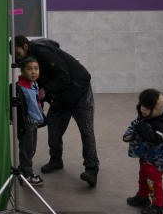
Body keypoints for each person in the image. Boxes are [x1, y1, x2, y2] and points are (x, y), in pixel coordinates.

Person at [13, 35, 99, 186]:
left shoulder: (43, 52)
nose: (17, 59)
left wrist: (46, 91)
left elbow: (63, 76)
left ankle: (91, 170)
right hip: (60, 96)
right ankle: (56, 160)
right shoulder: (30, 60)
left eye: (18, 54)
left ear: (25, 46)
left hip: (80, 92)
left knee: (86, 131)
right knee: (53, 127)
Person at [123, 89, 163, 214]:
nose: (143, 110)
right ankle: (142, 197)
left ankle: (158, 207)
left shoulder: (160, 125)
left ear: (156, 110)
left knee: (153, 180)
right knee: (143, 176)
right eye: (142, 106)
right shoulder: (143, 118)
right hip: (146, 156)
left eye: (147, 109)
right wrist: (128, 135)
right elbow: (133, 126)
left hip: (156, 158)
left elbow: (156, 139)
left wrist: (141, 129)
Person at [15, 56, 45, 185]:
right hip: (26, 124)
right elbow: (16, 105)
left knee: (31, 149)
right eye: (29, 69)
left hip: (34, 123)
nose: (33, 72)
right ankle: (27, 175)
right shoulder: (20, 87)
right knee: (26, 149)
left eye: (36, 69)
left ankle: (23, 170)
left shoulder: (34, 84)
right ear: (22, 71)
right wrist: (12, 117)